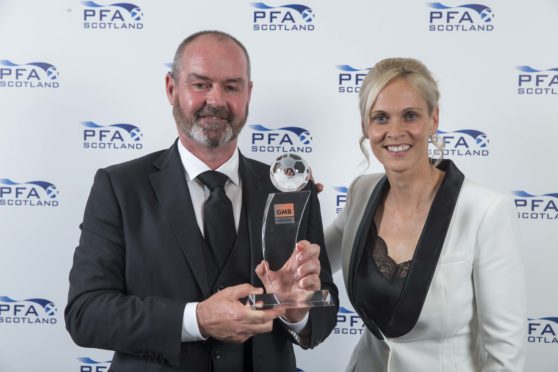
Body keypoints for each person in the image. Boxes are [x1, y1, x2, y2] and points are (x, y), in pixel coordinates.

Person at [65, 30, 338, 372]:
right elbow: (85, 314)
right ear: (171, 88)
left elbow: (323, 315)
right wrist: (197, 319)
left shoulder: (290, 190)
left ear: (248, 94)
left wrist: (295, 311)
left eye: (231, 87)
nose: (216, 100)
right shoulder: (119, 188)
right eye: (200, 84)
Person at [325, 58, 526, 372]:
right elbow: (312, 259)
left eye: (410, 115)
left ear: (434, 119)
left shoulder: (485, 210)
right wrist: (295, 208)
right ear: (366, 126)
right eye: (380, 117)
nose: (395, 131)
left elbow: (506, 356)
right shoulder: (361, 192)